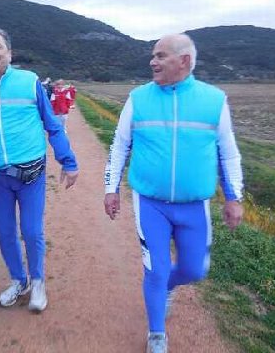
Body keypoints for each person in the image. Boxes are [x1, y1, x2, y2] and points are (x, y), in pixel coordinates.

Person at [103, 34, 243, 353]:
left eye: (160, 55)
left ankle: (167, 287)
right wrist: (111, 189)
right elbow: (119, 145)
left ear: (184, 61)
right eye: (153, 55)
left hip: (194, 206)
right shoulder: (138, 98)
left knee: (194, 270)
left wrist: (233, 197)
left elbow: (228, 152)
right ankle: (157, 334)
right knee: (156, 268)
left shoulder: (214, 100)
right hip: (150, 203)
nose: (152, 61)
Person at [0, 26, 79, 313]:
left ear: (9, 53)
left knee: (31, 231)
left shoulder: (29, 82)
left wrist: (68, 161)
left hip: (31, 174)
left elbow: (52, 124)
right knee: (4, 231)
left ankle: (38, 281)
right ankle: (19, 280)